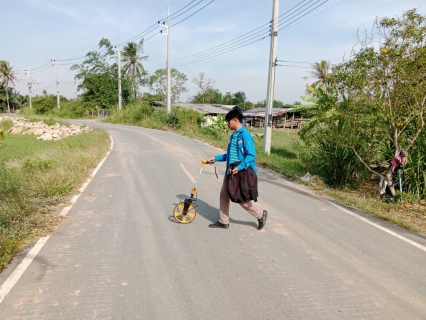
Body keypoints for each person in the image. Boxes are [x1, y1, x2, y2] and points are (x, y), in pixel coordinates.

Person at [206, 107, 267, 230]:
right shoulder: (234, 136)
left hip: (241, 172)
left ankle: (260, 214)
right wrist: (215, 158)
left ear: (235, 120)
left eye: (228, 121)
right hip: (231, 170)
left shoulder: (245, 135)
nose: (228, 124)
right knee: (224, 195)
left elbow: (251, 155)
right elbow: (229, 155)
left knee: (240, 198)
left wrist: (239, 168)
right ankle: (224, 221)